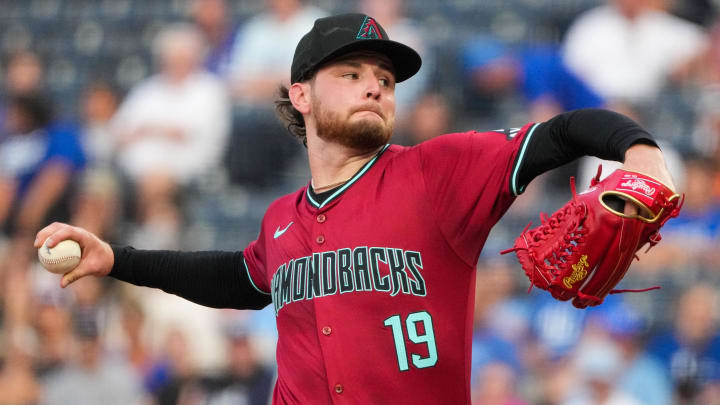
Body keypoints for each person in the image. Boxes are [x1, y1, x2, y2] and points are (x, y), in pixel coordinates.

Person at [34, 13, 677, 404]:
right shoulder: (280, 218)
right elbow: (240, 278)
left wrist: (638, 150)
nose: (376, 83)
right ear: (301, 95)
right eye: (352, 72)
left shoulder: (437, 172)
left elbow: (562, 133)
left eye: (387, 78)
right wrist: (118, 258)